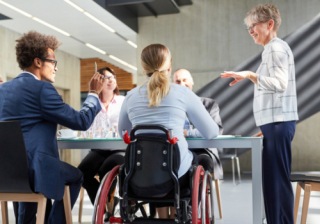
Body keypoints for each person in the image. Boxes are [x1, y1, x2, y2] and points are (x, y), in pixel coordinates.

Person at [0, 31, 104, 224]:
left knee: (31, 174)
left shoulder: (2, 89)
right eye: (53, 62)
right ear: (38, 62)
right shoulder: (42, 89)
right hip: (36, 171)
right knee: (77, 176)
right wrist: (92, 94)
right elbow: (81, 121)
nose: (56, 68)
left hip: (7, 173)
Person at [118, 44, 219, 219]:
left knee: (155, 163)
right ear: (169, 67)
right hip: (176, 175)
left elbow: (123, 133)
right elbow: (211, 132)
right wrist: (188, 133)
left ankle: (164, 216)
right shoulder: (183, 93)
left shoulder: (130, 96)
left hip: (139, 175)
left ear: (143, 68)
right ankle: (178, 214)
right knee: (197, 160)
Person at [221, 4, 298, 224]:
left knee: (277, 182)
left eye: (253, 25)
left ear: (269, 24)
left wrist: (249, 75)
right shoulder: (272, 49)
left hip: (278, 123)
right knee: (272, 182)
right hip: (274, 124)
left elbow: (279, 85)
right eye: (249, 28)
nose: (251, 31)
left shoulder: (275, 47)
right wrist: (265, 126)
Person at [78, 66, 125, 218]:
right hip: (98, 149)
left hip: (119, 149)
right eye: (106, 77)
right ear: (99, 82)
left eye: (113, 77)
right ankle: (103, 209)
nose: (111, 80)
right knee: (81, 173)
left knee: (107, 170)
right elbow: (86, 128)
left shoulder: (123, 102)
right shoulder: (92, 103)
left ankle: (108, 207)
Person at [173, 68, 224, 179]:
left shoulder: (209, 104)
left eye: (185, 80)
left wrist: (188, 133)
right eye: (177, 81)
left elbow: (217, 130)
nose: (182, 84)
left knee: (203, 162)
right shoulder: (171, 108)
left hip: (203, 151)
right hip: (178, 152)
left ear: (192, 81)